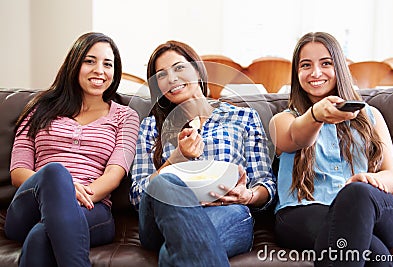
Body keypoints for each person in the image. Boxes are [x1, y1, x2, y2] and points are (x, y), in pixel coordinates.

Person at [129, 40, 276, 266]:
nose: (172, 79)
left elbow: (265, 183)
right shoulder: (151, 126)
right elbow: (139, 196)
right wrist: (176, 158)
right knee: (164, 182)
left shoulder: (243, 118)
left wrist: (248, 195)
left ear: (197, 70)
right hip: (159, 219)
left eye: (179, 68)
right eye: (162, 75)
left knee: (173, 253)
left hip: (227, 211)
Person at [5, 32, 140, 267]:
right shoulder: (39, 108)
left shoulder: (125, 116)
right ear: (74, 63)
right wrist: (62, 188)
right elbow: (18, 173)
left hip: (92, 208)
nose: (100, 70)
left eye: (108, 64)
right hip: (31, 205)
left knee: (40, 237)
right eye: (90, 61)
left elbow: (114, 174)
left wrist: (71, 198)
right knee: (55, 173)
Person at [269, 31, 393, 266]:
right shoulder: (283, 120)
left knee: (356, 192)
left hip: (371, 210)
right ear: (296, 73)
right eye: (306, 65)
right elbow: (296, 137)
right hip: (302, 212)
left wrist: (369, 180)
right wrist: (316, 115)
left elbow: (392, 179)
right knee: (373, 251)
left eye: (326, 63)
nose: (316, 73)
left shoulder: (372, 116)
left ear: (339, 67)